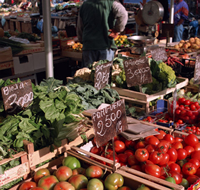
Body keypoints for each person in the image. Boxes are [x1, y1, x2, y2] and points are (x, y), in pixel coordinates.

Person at [76, 0, 128, 67]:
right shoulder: (112, 3)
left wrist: (82, 40)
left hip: (88, 46)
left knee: (88, 73)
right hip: (105, 46)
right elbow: (123, 14)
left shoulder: (84, 5)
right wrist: (117, 30)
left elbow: (80, 27)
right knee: (104, 74)